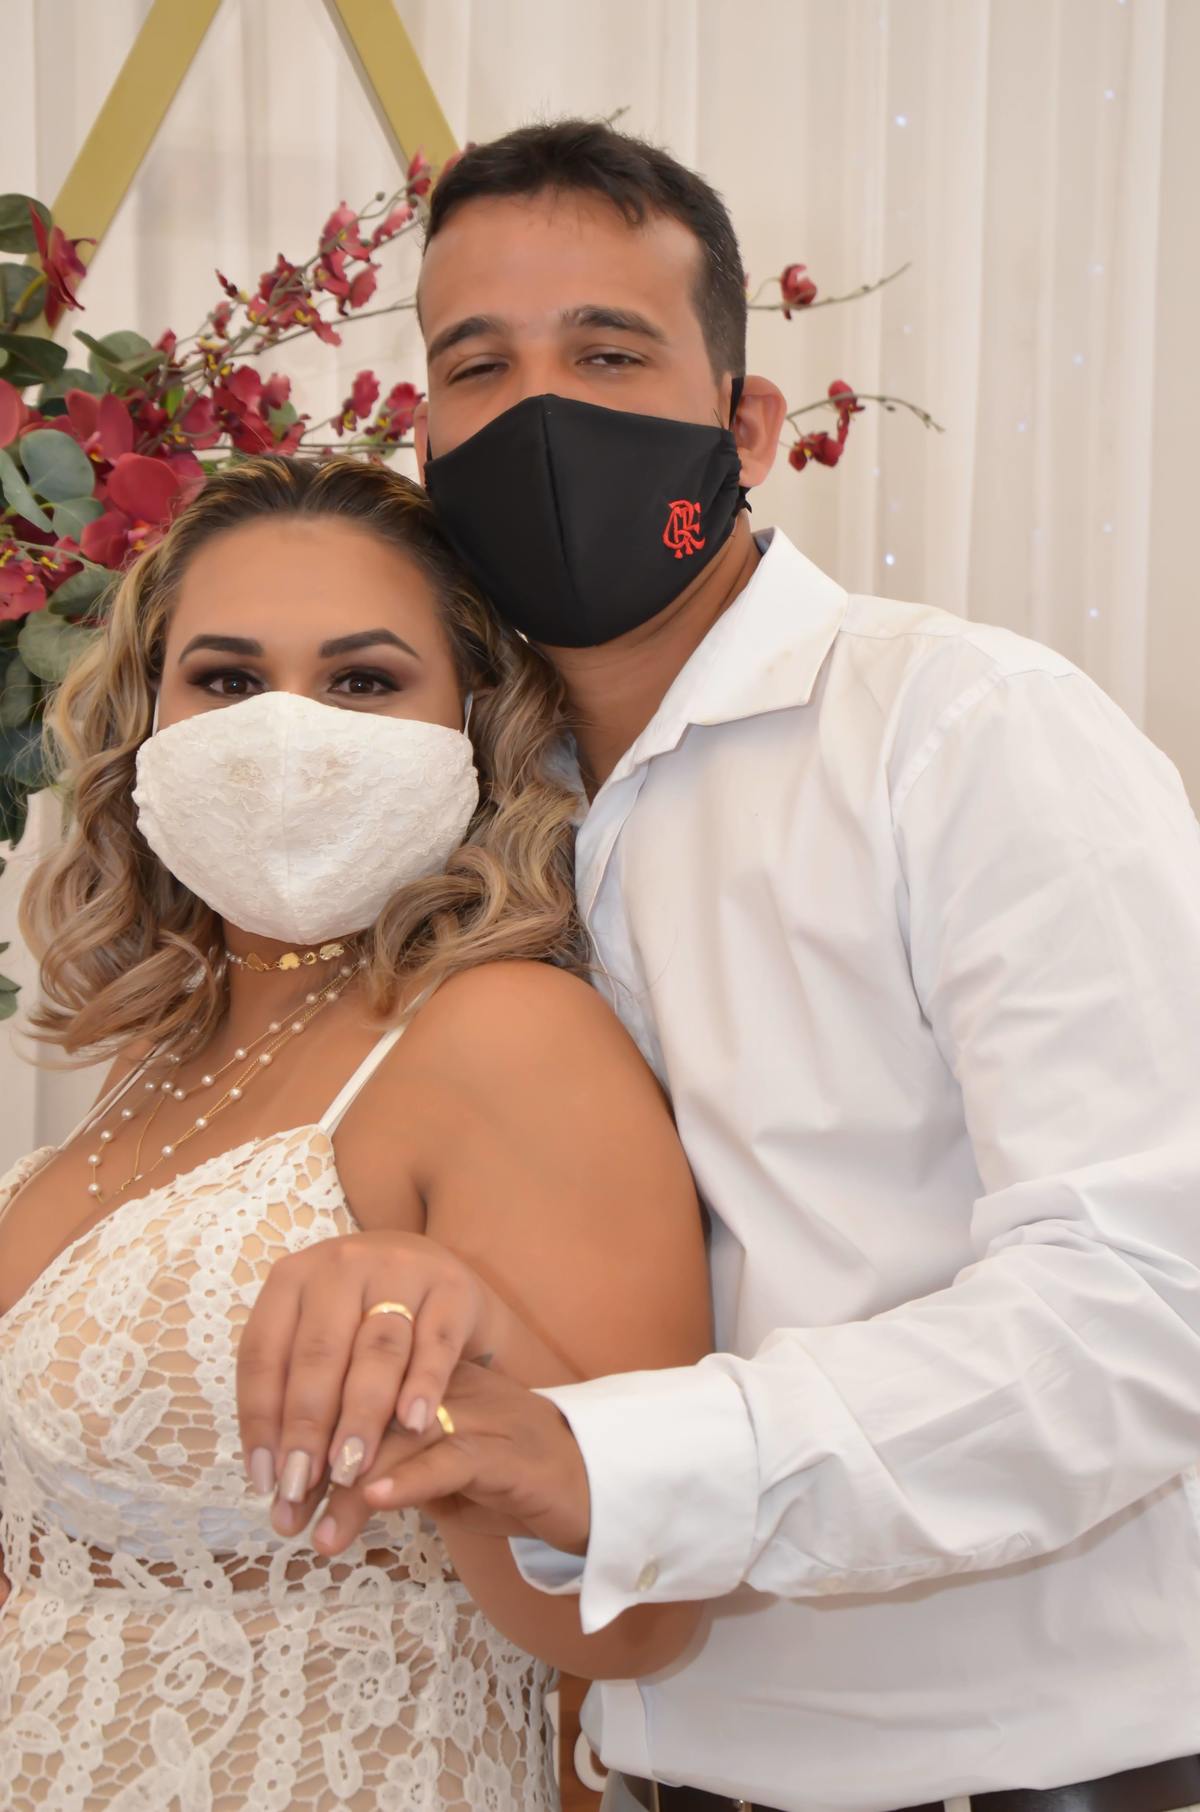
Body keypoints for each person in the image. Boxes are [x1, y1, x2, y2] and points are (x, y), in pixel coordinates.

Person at [287, 123, 1200, 1812]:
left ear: (749, 424)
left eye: (607, 353)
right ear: (426, 441)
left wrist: (623, 1461)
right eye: (478, 365)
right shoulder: (447, 809)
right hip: (644, 1767)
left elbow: (1149, 1298)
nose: (541, 413)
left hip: (1023, 1773)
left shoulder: (964, 730)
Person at [0, 453, 710, 1812]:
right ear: (149, 718)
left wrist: (462, 1371)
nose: (285, 731)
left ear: (475, 721)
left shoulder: (507, 1035)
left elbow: (640, 1624)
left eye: (363, 680)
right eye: (226, 680)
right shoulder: (159, 1054)